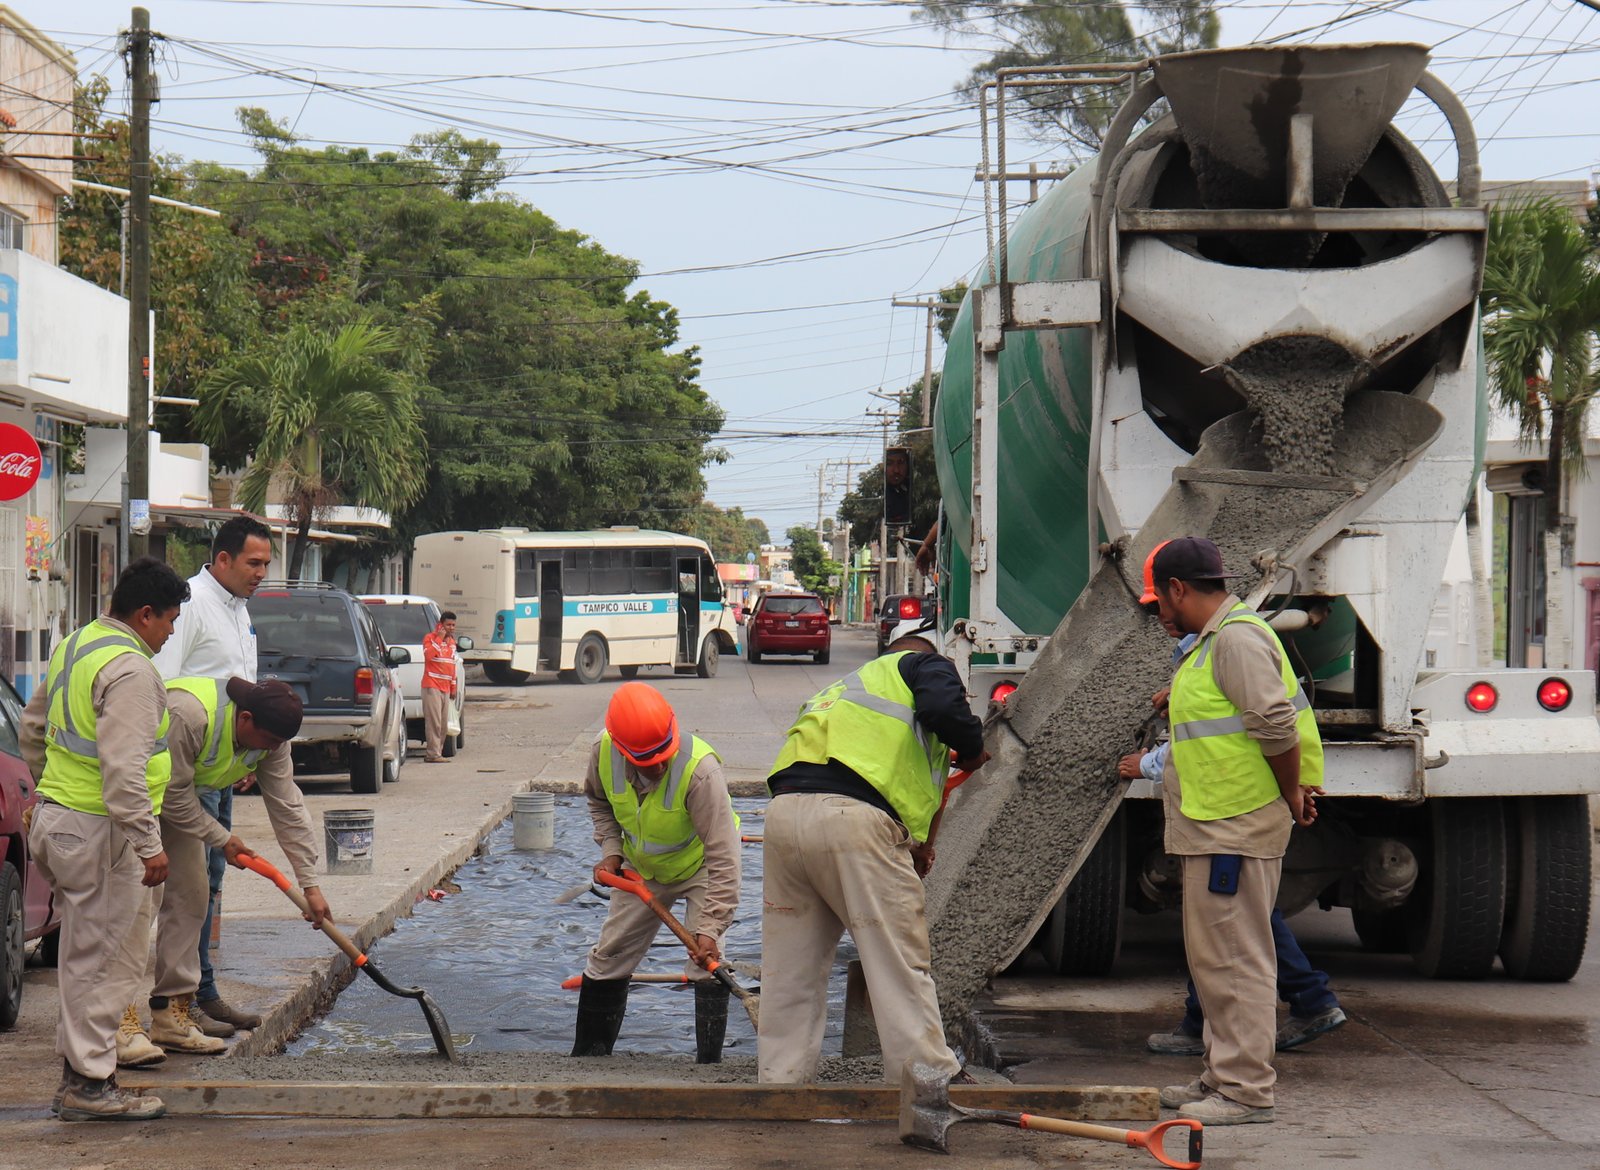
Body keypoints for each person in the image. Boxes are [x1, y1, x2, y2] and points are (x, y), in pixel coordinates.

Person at [1120, 545, 1346, 1059]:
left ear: (1179, 588)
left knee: (1236, 963)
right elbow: (1220, 717)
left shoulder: (1237, 639)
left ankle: (1241, 1088)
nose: (1157, 616)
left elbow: (1273, 724)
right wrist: (1175, 693)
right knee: (1221, 958)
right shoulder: (1215, 641)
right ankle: (1222, 1077)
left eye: (1158, 603)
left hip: (1234, 821)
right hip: (1216, 818)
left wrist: (1291, 791)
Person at [757, 618, 990, 1085]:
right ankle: (926, 1081)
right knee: (895, 958)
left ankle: (780, 1085)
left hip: (784, 819)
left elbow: (901, 771)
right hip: (851, 822)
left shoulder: (842, 690)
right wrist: (971, 745)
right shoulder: (924, 663)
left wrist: (921, 844)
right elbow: (944, 709)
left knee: (790, 971)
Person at [21, 557, 189, 1121]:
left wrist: (47, 792)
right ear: (144, 615)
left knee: (81, 956)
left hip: (63, 821)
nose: (169, 634)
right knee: (108, 961)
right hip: (104, 832)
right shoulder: (134, 671)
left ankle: (82, 1076)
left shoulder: (78, 644)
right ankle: (91, 1085)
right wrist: (150, 844)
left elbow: (33, 727)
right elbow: (124, 771)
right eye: (168, 621)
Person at [136, 676, 329, 1058]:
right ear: (244, 719)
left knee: (192, 895)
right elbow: (171, 795)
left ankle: (170, 1013)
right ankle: (114, 1018)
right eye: (269, 740)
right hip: (133, 801)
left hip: (182, 798)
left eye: (279, 744)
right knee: (136, 907)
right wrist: (222, 838)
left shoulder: (272, 740)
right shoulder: (188, 715)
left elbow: (288, 807)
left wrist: (311, 886)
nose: (272, 750)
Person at [145, 515, 274, 1044]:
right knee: (187, 890)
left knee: (210, 885)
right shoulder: (192, 604)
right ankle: (182, 1001)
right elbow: (162, 686)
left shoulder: (240, 611)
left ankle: (200, 992)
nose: (262, 573)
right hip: (184, 769)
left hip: (218, 765)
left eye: (267, 563)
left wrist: (239, 759)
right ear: (222, 559)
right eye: (253, 563)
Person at [572, 682, 741, 1064]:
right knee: (608, 957)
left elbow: (725, 859)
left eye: (663, 755)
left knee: (707, 961)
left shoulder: (700, 772)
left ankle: (709, 1068)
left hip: (700, 867)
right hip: (641, 870)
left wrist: (711, 927)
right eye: (648, 760)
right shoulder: (603, 752)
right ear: (622, 749)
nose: (660, 766)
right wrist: (612, 852)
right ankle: (589, 1060)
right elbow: (599, 803)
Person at [422, 611, 458, 763]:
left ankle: (438, 752)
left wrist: (453, 686)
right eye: (448, 625)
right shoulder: (430, 638)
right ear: (441, 625)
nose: (451, 628)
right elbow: (429, 656)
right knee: (434, 722)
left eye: (453, 625)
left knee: (443, 724)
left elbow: (452, 665)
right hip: (432, 686)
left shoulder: (452, 643)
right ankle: (433, 754)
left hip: (446, 687)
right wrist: (439, 638)